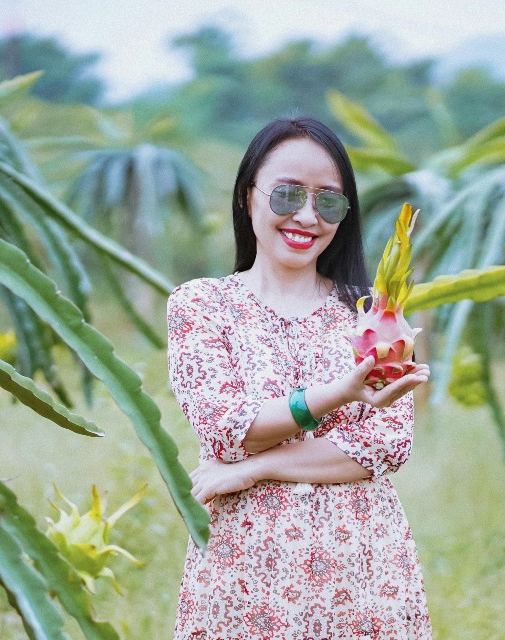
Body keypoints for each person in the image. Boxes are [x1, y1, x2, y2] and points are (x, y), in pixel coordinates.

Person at [167, 117, 432, 638]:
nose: (307, 216)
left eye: (328, 202)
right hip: (244, 582)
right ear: (248, 197)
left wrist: (251, 470)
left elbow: (386, 445)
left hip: (367, 582)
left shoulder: (373, 314)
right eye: (288, 195)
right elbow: (227, 427)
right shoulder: (203, 305)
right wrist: (342, 394)